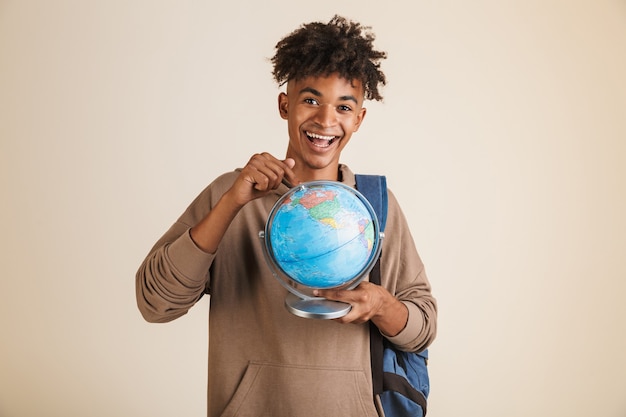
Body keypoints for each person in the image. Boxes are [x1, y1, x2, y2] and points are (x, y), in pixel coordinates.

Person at [136, 15, 437, 417]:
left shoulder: (374, 207)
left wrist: (383, 306)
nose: (326, 121)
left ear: (359, 119)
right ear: (285, 104)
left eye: (343, 107)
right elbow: (155, 303)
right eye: (311, 100)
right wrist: (231, 203)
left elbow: (423, 329)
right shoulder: (232, 195)